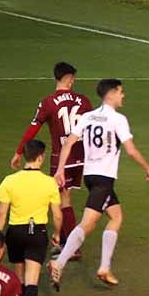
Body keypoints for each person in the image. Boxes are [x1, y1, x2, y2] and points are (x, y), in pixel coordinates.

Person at [49, 80, 149, 290]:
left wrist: (60, 169)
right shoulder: (118, 119)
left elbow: (69, 143)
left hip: (90, 176)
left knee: (116, 216)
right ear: (112, 94)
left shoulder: (87, 117)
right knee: (87, 224)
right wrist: (148, 168)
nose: (123, 96)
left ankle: (104, 267)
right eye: (121, 92)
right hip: (103, 179)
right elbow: (131, 151)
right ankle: (59, 262)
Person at [11, 62, 92, 256]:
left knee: (61, 199)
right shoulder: (84, 100)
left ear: (56, 78)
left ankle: (70, 246)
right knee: (64, 197)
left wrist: (19, 151)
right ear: (70, 79)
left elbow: (34, 127)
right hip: (80, 156)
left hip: (61, 158)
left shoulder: (48, 102)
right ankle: (67, 242)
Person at [0, 140, 60, 296]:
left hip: (15, 233)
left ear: (25, 156)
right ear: (40, 157)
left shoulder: (10, 181)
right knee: (33, 280)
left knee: (20, 277)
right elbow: (57, 214)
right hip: (37, 233)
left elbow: (1, 212)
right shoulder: (49, 182)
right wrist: (56, 233)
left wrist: (0, 238)